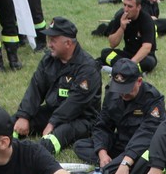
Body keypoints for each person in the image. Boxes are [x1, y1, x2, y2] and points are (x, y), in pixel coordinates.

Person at [13, 17, 102, 157]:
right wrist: (24, 116)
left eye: (53, 40)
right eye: (49, 40)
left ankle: (29, 157)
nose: (49, 44)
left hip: (82, 119)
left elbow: (76, 102)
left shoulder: (87, 68)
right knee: (13, 123)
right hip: (53, 112)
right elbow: (35, 88)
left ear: (67, 43)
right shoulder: (48, 60)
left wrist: (53, 123)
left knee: (54, 138)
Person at [72, 58, 166, 174]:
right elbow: (103, 125)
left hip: (141, 149)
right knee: (81, 146)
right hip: (121, 144)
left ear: (139, 81)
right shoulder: (112, 93)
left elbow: (147, 135)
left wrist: (126, 161)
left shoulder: (153, 99)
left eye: (127, 88)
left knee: (143, 160)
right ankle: (116, 167)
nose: (123, 93)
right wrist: (102, 152)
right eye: (119, 88)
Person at [100, 0, 158, 73]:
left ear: (138, 7)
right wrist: (121, 28)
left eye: (130, 6)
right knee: (105, 53)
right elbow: (112, 44)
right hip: (127, 54)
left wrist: (131, 63)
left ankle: (118, 68)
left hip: (144, 57)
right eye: (124, 5)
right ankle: (128, 70)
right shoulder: (121, 16)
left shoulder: (147, 20)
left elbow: (147, 48)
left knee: (149, 63)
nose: (126, 9)